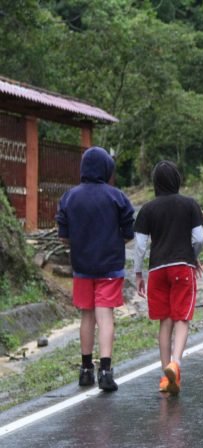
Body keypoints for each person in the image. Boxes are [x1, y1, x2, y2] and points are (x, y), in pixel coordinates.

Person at [56, 146, 135, 392]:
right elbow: (128, 232)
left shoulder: (69, 197)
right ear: (106, 169)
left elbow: (64, 237)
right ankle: (106, 371)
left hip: (81, 267)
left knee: (87, 316)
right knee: (105, 317)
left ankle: (85, 369)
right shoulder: (117, 196)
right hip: (110, 267)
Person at [133, 161, 203, 395]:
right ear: (177, 180)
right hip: (181, 268)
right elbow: (200, 239)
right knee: (181, 318)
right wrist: (192, 257)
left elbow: (140, 247)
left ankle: (166, 376)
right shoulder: (189, 205)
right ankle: (176, 363)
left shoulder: (147, 209)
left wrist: (137, 273)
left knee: (165, 321)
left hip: (157, 271)